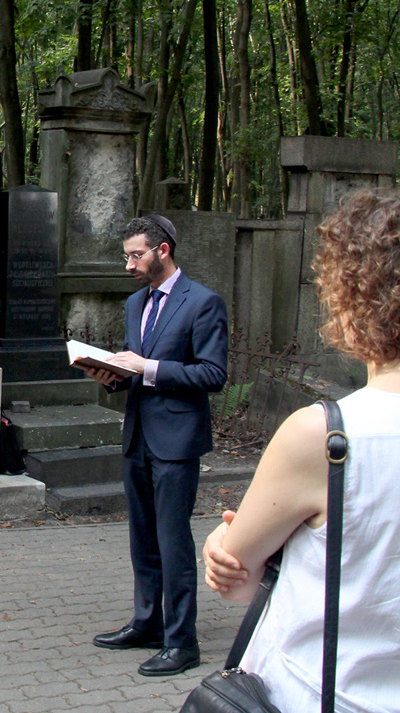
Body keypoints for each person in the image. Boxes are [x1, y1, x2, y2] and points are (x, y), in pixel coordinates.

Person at [203, 189, 400, 712]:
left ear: (351, 295)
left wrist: (223, 537)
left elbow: (237, 582)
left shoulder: (326, 437)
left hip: (320, 694)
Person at [86, 214, 228, 677]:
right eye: (126, 255)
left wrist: (147, 367)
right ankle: (147, 623)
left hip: (177, 442)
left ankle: (182, 643)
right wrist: (111, 377)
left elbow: (213, 375)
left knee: (173, 541)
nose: (128, 264)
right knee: (142, 539)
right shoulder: (134, 304)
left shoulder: (203, 302)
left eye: (135, 255)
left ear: (162, 251)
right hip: (138, 435)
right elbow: (137, 371)